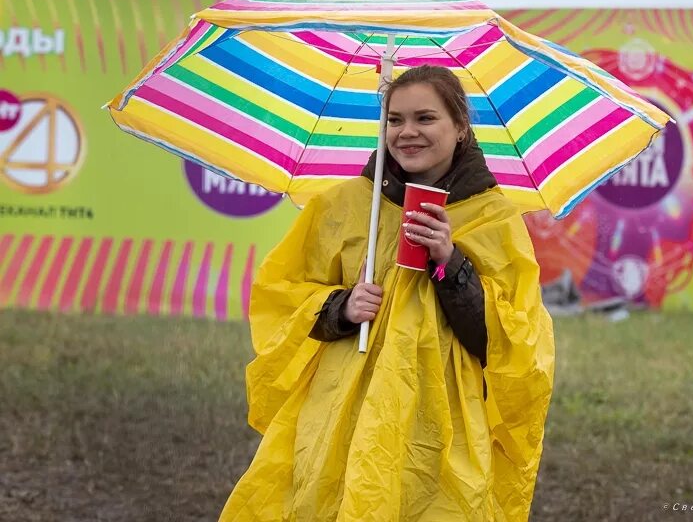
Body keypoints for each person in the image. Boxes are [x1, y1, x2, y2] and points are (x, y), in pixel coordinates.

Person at [219, 65, 555, 520]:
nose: (407, 132)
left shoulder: (494, 218)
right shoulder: (343, 205)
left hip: (441, 423)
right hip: (343, 412)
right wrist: (340, 307)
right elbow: (281, 294)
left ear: (459, 128)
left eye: (424, 118)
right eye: (394, 120)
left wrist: (449, 262)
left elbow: (511, 344)